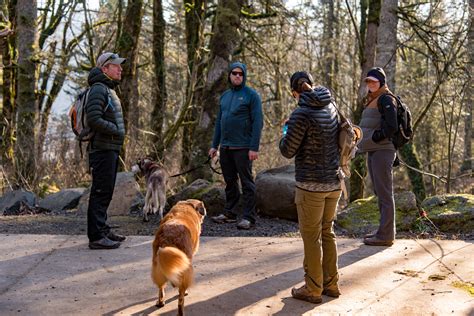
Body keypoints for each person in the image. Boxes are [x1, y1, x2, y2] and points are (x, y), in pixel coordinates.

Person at [279, 71, 342, 304]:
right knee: (328, 232)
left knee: (311, 237)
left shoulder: (301, 114)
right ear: (312, 85)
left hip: (310, 185)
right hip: (334, 182)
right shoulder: (331, 106)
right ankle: (332, 284)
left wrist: (285, 130)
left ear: (295, 92)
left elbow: (287, 150)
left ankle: (313, 288)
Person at [209, 62, 263, 230]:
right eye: (234, 73)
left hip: (244, 148)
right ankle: (230, 213)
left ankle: (248, 217)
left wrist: (254, 147)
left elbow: (258, 122)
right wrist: (214, 145)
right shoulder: (225, 96)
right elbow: (219, 122)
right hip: (225, 148)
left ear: (244, 76)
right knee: (230, 182)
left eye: (240, 73)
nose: (237, 76)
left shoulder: (251, 96)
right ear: (229, 75)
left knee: (247, 183)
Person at [85, 52, 127, 249]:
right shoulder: (99, 89)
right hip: (102, 149)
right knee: (101, 191)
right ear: (105, 69)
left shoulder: (107, 89)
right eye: (116, 66)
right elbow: (94, 118)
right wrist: (116, 130)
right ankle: (96, 237)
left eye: (120, 66)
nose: (120, 69)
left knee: (106, 190)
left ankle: (102, 229)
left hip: (108, 148)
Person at [358, 67, 398, 247]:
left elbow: (392, 126)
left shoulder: (386, 99)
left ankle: (386, 235)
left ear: (381, 82)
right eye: (368, 81)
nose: (370, 84)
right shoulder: (373, 99)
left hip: (383, 150)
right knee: (379, 192)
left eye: (374, 81)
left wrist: (375, 137)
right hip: (374, 150)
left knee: (385, 193)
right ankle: (383, 231)